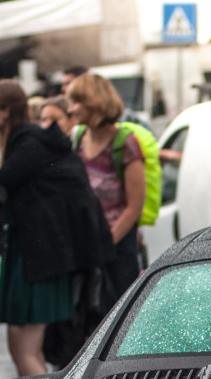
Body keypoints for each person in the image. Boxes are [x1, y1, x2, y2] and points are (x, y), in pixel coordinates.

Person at [0, 79, 108, 377]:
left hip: (37, 259)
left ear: (6, 112)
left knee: (25, 351)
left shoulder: (29, 143)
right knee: (21, 348)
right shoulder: (28, 141)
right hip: (35, 255)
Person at [67, 73, 144, 301]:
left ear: (95, 102)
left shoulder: (125, 143)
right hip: (86, 246)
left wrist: (105, 245)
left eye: (76, 102)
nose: (71, 109)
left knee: (119, 318)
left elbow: (134, 208)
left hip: (117, 249)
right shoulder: (78, 138)